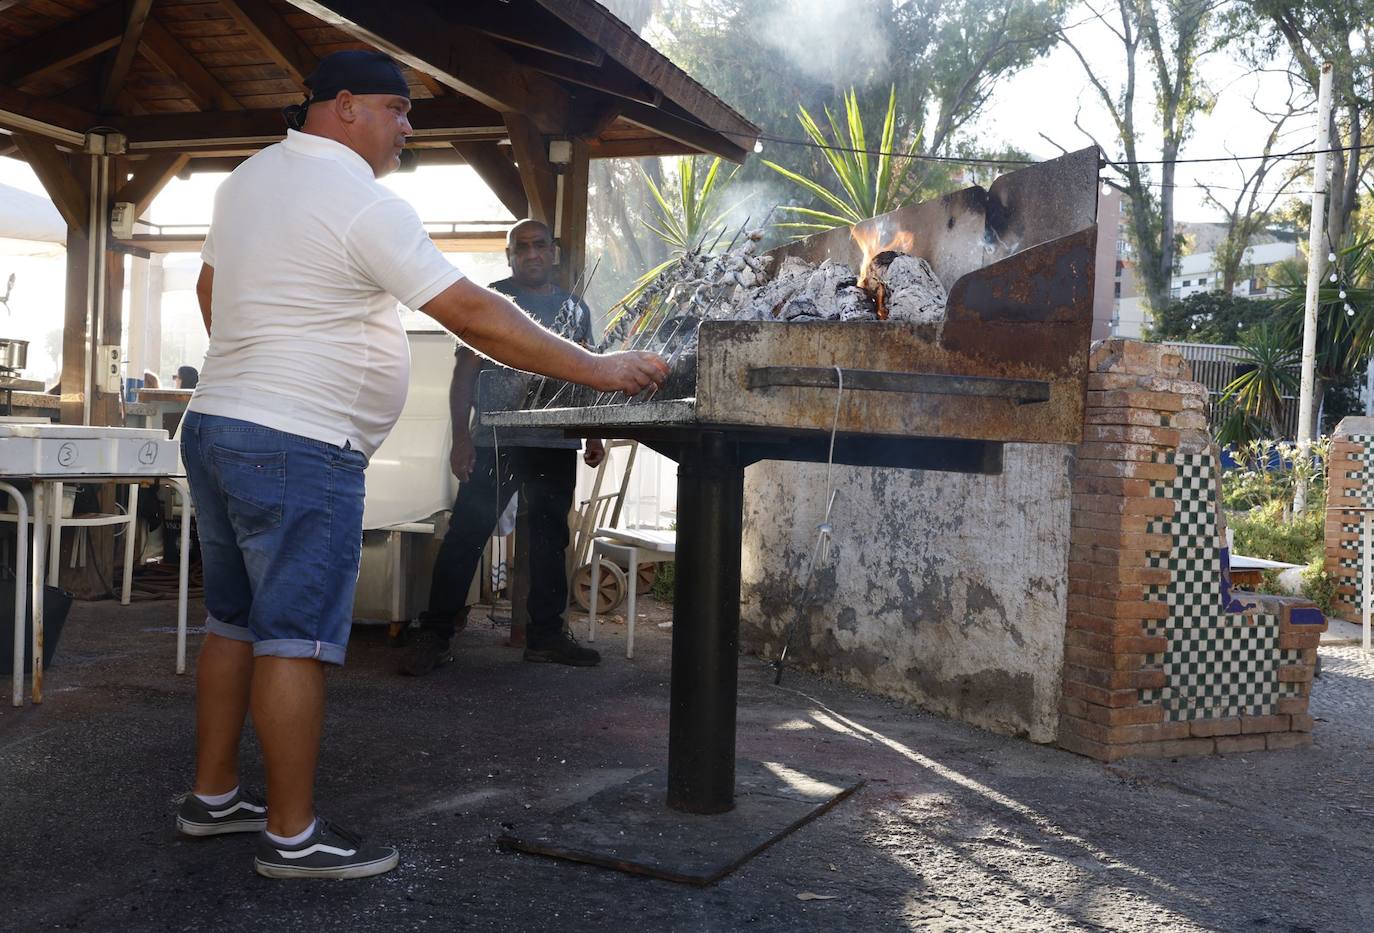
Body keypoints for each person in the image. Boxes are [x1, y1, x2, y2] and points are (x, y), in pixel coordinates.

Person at [171, 50, 666, 881]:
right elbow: (473, 313)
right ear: (343, 106)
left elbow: (210, 288)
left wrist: (260, 359)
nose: (408, 129)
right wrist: (601, 367)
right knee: (292, 640)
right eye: (397, 110)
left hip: (220, 423)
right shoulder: (363, 203)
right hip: (299, 445)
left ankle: (212, 797)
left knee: (234, 622)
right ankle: (293, 838)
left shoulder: (249, 179)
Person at [401, 220, 607, 676]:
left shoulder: (575, 309)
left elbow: (587, 372)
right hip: (494, 440)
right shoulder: (491, 301)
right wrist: (460, 437)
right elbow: (464, 375)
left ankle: (546, 637)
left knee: (551, 540)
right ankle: (435, 634)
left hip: (555, 441)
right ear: (509, 255)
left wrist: (595, 433)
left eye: (539, 246)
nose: (531, 254)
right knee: (466, 536)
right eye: (521, 248)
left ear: (553, 252)